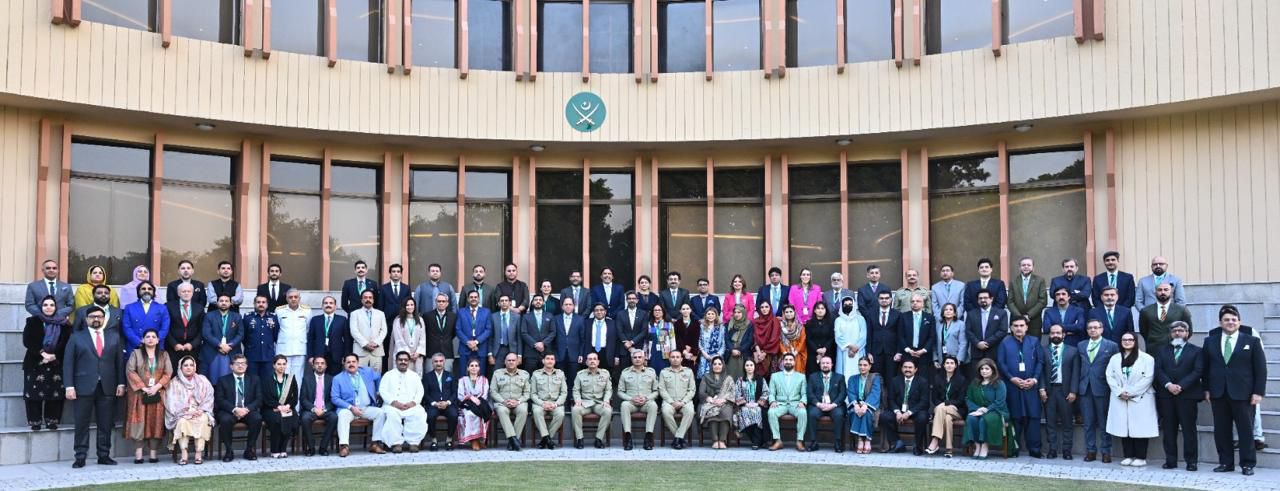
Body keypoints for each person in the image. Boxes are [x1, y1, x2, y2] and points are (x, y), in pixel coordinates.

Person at [1204, 307, 1266, 476]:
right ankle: (1225, 463)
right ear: (1220, 323)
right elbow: (1206, 368)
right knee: (1221, 430)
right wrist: (1207, 389)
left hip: (1244, 394)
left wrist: (1258, 392)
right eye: (1226, 320)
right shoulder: (1210, 341)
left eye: (1234, 319)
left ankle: (1247, 464)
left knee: (1246, 430)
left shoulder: (1251, 341)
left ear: (1239, 322)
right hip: (1218, 393)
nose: (1230, 322)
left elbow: (1260, 369)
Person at [64, 306, 126, 468]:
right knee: (81, 424)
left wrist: (121, 382)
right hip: (82, 387)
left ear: (104, 319)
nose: (96, 319)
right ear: (86, 319)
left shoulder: (114, 337)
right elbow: (68, 363)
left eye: (99, 316)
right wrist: (69, 386)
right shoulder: (76, 337)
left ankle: (104, 455)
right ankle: (80, 456)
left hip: (108, 386)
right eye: (92, 316)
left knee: (105, 424)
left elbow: (119, 362)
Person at [1154, 321, 1203, 470]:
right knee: (1169, 430)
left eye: (1181, 330)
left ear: (1187, 333)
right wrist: (1168, 385)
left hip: (1187, 395)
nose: (1177, 333)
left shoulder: (1197, 351)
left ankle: (1191, 461)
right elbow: (1158, 370)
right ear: (1170, 333)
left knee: (1189, 430)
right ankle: (1171, 460)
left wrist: (1181, 386)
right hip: (1166, 396)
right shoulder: (1161, 350)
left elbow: (1197, 371)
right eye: (1174, 330)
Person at [1106, 331, 1157, 467]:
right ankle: (1128, 455)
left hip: (1141, 398)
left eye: (1130, 340)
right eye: (1124, 340)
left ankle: (1141, 457)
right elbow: (1109, 376)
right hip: (1120, 397)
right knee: (1124, 427)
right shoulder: (1115, 358)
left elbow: (1148, 378)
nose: (1127, 342)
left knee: (1140, 428)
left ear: (1135, 342)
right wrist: (1120, 392)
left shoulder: (1147, 358)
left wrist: (1132, 392)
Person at [996, 317, 1043, 458]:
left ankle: (1034, 449)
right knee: (1015, 417)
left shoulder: (1034, 341)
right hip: (1012, 386)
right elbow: (1001, 363)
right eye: (1015, 326)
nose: (1018, 328)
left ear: (1027, 327)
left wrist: (1034, 379)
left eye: (1021, 325)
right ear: (1011, 328)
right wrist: (1011, 378)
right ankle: (1013, 448)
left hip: (1031, 386)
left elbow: (1040, 362)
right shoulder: (1005, 343)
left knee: (1033, 417)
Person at [124, 329, 172, 464]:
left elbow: (168, 373)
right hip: (139, 394)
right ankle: (138, 454)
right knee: (138, 422)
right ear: (143, 340)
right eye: (148, 336)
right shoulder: (136, 353)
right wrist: (143, 387)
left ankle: (153, 453)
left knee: (155, 422)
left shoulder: (163, 355)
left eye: (153, 337)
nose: (150, 339)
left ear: (158, 340)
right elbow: (130, 371)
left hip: (157, 393)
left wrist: (157, 387)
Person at [23, 296, 71, 430]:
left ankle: (52, 420)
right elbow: (27, 340)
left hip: (56, 361)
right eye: (45, 305)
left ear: (56, 307)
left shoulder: (64, 323)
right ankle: (35, 421)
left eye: (51, 305)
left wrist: (54, 356)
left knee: (55, 391)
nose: (48, 307)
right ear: (41, 307)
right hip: (35, 361)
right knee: (33, 392)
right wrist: (42, 354)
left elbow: (66, 342)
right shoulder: (33, 321)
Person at [1078, 319, 1119, 463]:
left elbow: (1116, 367)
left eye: (1096, 327)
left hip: (1103, 388)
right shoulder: (1081, 345)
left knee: (1104, 422)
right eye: (1090, 328)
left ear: (1102, 329)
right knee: (1088, 422)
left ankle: (1106, 451)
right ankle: (1090, 450)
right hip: (1085, 388)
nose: (1093, 330)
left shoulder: (1112, 346)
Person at [332, 353, 388, 457]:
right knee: (343, 415)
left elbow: (378, 377)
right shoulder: (338, 378)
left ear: (358, 363)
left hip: (365, 408)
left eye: (353, 362)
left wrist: (377, 392)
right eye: (348, 362)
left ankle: (375, 444)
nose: (351, 364)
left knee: (380, 413)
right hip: (349, 409)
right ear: (344, 364)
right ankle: (344, 446)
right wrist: (351, 407)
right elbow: (335, 398)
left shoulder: (367, 372)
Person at [1040, 324, 1080, 460]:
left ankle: (1067, 450)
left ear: (1064, 335)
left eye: (1058, 333)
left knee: (1067, 422)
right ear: (1049, 335)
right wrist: (1041, 388)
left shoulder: (1073, 351)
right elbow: (1040, 371)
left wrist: (1073, 391)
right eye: (1052, 333)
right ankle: (1052, 449)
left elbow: (1076, 372)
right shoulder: (1043, 350)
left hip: (1066, 391)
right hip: (1049, 391)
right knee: (1050, 422)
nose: (1055, 335)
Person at [165, 356, 213, 465]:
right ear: (180, 367)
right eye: (185, 365)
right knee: (182, 422)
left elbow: (209, 397)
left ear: (195, 367)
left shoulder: (203, 380)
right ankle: (184, 453)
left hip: (200, 411)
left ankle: (198, 453)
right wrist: (186, 412)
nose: (189, 367)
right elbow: (171, 402)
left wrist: (201, 410)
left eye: (191, 365)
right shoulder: (174, 382)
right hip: (182, 413)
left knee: (203, 420)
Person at [213, 355, 261, 462]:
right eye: (237, 363)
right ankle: (229, 451)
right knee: (225, 420)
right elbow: (219, 400)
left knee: (257, 418)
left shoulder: (254, 379)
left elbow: (259, 399)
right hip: (230, 411)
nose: (240, 366)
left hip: (247, 410)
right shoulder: (223, 380)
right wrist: (235, 409)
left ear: (247, 366)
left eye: (243, 363)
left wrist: (246, 409)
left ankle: (249, 450)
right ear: (231, 366)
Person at [378, 351, 427, 453]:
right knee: (392, 415)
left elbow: (420, 391)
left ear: (409, 362)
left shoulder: (414, 375)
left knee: (419, 413)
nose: (403, 362)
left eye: (405, 360)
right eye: (400, 360)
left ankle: (414, 443)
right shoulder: (388, 375)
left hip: (411, 405)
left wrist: (413, 403)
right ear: (396, 361)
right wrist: (393, 402)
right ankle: (396, 443)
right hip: (392, 405)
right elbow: (382, 390)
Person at [878, 359, 929, 454]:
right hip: (899, 410)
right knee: (884, 416)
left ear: (915, 369)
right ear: (901, 369)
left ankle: (918, 446)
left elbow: (924, 402)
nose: (907, 369)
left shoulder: (923, 382)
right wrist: (897, 411)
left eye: (910, 367)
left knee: (922, 417)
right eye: (905, 367)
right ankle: (897, 443)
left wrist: (909, 413)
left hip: (916, 411)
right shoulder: (895, 381)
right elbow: (891, 399)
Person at [963, 358, 1009, 460]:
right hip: (978, 411)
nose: (984, 371)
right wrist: (978, 409)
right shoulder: (975, 383)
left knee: (984, 419)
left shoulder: (999, 384)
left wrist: (986, 410)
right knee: (971, 418)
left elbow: (1000, 402)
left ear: (993, 370)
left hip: (997, 411)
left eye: (987, 369)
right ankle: (977, 445)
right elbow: (968, 399)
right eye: (982, 369)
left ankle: (984, 445)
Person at [924, 355, 967, 457]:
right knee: (947, 419)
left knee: (940, 409)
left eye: (952, 363)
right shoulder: (937, 378)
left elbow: (961, 400)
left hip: (957, 409)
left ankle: (935, 440)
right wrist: (943, 405)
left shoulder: (962, 379)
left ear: (956, 365)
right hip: (943, 409)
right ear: (943, 365)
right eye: (947, 363)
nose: (949, 365)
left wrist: (948, 404)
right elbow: (934, 398)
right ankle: (949, 449)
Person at [617, 349, 660, 450]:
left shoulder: (651, 372)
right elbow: (620, 392)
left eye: (640, 357)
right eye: (635, 357)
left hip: (646, 402)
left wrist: (646, 398)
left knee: (653, 405)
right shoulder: (625, 373)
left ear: (644, 358)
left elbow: (656, 391)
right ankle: (628, 437)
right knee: (624, 405)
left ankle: (648, 436)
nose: (637, 359)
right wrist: (631, 398)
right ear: (632, 359)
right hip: (631, 403)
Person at [490, 352, 531, 451]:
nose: (511, 362)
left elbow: (527, 393)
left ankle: (512, 441)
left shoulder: (524, 374)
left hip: (519, 402)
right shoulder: (497, 373)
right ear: (505, 362)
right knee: (502, 411)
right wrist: (503, 401)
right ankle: (514, 440)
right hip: (502, 403)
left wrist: (518, 401)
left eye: (513, 360)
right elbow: (493, 391)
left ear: (517, 362)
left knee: (523, 410)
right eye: (509, 360)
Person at [804, 356, 846, 452]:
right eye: (823, 363)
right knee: (812, 414)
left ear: (832, 365)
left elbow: (843, 393)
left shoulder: (839, 377)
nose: (825, 365)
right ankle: (814, 442)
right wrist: (818, 404)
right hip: (818, 405)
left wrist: (833, 405)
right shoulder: (813, 377)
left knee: (839, 414)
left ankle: (838, 442)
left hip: (834, 405)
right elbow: (809, 393)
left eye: (827, 363)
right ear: (820, 365)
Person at [572, 352, 614, 449]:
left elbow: (608, 390)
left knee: (608, 411)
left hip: (599, 403)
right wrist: (577, 400)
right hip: (585, 403)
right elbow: (576, 390)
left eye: (594, 359)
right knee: (575, 410)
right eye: (590, 359)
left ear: (598, 362)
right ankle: (580, 439)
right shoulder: (580, 374)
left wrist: (606, 400)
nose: (592, 361)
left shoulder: (605, 374)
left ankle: (598, 439)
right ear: (586, 362)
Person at [767, 353, 807, 451]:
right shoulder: (775, 376)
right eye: (786, 360)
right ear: (782, 362)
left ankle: (799, 441)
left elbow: (804, 393)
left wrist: (802, 402)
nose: (788, 361)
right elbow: (771, 393)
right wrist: (772, 401)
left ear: (794, 362)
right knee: (771, 412)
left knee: (803, 412)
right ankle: (777, 440)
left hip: (795, 404)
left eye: (790, 360)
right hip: (780, 404)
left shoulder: (801, 377)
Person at [1138, 283, 1192, 355]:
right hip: (1153, 350)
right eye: (1159, 290)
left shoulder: (1181, 310)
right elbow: (1144, 331)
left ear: (1171, 292)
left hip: (1175, 350)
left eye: (1166, 290)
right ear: (1155, 292)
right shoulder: (1146, 311)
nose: (1163, 292)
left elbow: (1189, 330)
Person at [261, 355, 299, 458]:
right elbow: (265, 397)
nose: (282, 366)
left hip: (287, 408)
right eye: (279, 364)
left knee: (291, 418)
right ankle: (275, 450)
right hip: (270, 409)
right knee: (277, 419)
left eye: (284, 364)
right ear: (274, 365)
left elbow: (295, 397)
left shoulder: (291, 378)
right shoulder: (267, 379)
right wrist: (278, 406)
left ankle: (283, 449)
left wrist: (288, 405)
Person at [964, 289, 1007, 378]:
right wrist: (977, 343)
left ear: (991, 299)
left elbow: (1003, 330)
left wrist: (987, 342)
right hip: (977, 352)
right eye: (980, 298)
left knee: (994, 378)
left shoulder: (1001, 313)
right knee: (976, 379)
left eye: (985, 298)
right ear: (977, 300)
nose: (983, 300)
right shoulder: (971, 314)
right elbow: (968, 331)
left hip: (994, 352)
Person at [299, 357, 337, 456]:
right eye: (317, 363)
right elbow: (303, 399)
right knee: (305, 418)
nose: (320, 365)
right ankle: (311, 447)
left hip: (326, 409)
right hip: (311, 409)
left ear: (326, 366)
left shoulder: (331, 379)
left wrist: (325, 409)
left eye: (322, 363)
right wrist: (314, 409)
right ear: (313, 366)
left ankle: (323, 447)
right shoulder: (306, 379)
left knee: (334, 417)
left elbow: (334, 398)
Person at [200, 294, 243, 382]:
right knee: (210, 381)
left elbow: (240, 334)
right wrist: (220, 345)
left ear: (231, 303)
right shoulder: (209, 316)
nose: (224, 303)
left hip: (231, 351)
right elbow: (206, 334)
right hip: (212, 351)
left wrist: (229, 346)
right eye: (221, 301)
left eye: (226, 301)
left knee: (230, 382)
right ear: (217, 303)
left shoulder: (237, 316)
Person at [659, 350, 696, 449]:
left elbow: (692, 390)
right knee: (665, 411)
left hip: (685, 401)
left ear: (681, 359)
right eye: (673, 357)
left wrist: (683, 402)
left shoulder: (688, 372)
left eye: (677, 357)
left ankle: (677, 438)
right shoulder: (664, 372)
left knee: (690, 411)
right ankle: (680, 438)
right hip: (669, 401)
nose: (675, 359)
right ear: (669, 359)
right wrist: (671, 402)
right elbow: (662, 389)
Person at [529, 353, 567, 449]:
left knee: (560, 414)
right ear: (543, 361)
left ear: (555, 361)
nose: (550, 361)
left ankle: (545, 439)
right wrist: (542, 403)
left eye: (552, 359)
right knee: (537, 412)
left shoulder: (560, 374)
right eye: (548, 359)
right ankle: (547, 439)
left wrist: (556, 404)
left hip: (555, 403)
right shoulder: (536, 374)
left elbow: (564, 393)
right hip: (540, 403)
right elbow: (533, 394)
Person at [121, 281, 169, 355]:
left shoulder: (162, 308)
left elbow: (165, 328)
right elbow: (126, 327)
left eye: (149, 289)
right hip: (135, 347)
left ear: (153, 292)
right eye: (143, 289)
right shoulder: (129, 307)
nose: (146, 291)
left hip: (156, 347)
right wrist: (138, 342)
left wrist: (154, 340)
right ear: (138, 292)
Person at [422, 353, 458, 451]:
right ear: (432, 363)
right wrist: (434, 403)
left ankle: (449, 439)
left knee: (454, 415)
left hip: (448, 404)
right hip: (434, 405)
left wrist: (448, 402)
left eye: (441, 361)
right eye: (436, 361)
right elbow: (425, 394)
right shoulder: (427, 377)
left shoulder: (450, 375)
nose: (438, 363)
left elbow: (455, 392)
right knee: (430, 416)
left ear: (444, 362)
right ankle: (434, 440)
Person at [307, 296, 351, 376]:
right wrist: (310, 356)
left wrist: (346, 356)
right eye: (326, 303)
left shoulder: (342, 319)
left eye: (331, 303)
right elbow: (310, 339)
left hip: (337, 356)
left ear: (335, 306)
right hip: (319, 356)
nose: (328, 305)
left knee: (335, 379)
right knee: (319, 379)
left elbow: (347, 340)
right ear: (322, 306)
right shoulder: (315, 320)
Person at [698, 356, 736, 449]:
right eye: (714, 364)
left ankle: (722, 440)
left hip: (725, 402)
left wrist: (724, 400)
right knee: (712, 411)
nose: (717, 366)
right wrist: (710, 399)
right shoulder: (706, 377)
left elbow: (732, 392)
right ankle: (715, 440)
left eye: (719, 364)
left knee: (726, 411)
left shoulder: (728, 378)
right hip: (709, 402)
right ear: (711, 366)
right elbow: (701, 392)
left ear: (723, 365)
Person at [166, 283, 205, 373]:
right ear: (178, 293)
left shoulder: (199, 308)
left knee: (191, 373)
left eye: (189, 291)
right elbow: (166, 327)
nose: (186, 293)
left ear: (192, 293)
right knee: (173, 373)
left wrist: (193, 344)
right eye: (183, 291)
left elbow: (201, 329)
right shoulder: (168, 306)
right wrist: (174, 344)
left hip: (192, 348)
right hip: (173, 348)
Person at [846, 357, 881, 454]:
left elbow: (875, 393)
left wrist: (866, 405)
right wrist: (856, 405)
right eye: (860, 365)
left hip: (871, 405)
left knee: (867, 414)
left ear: (870, 366)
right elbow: (851, 393)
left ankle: (867, 440)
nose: (862, 367)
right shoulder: (852, 378)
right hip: (856, 405)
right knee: (854, 412)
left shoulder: (875, 378)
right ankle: (861, 440)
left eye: (865, 365)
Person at [897, 293, 936, 380]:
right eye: (912, 301)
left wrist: (924, 350)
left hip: (924, 354)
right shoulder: (903, 316)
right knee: (907, 378)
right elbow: (900, 335)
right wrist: (908, 350)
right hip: (908, 353)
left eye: (918, 301)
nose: (915, 303)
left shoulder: (929, 317)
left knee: (923, 379)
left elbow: (932, 337)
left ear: (923, 304)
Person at [274, 289, 310, 380]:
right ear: (286, 299)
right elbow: (276, 329)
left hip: (299, 348)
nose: (293, 299)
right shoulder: (279, 311)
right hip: (283, 348)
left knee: (298, 376)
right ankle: (283, 390)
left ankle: (296, 390)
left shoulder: (307, 311)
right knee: (282, 374)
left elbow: (308, 328)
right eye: (290, 297)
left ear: (299, 298)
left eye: (295, 297)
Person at [243, 295, 281, 380]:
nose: (261, 304)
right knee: (252, 380)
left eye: (263, 302)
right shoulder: (248, 317)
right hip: (252, 355)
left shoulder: (273, 317)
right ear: (254, 304)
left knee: (267, 381)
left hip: (268, 355)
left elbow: (275, 335)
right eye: (258, 302)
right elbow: (244, 337)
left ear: (267, 304)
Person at [735, 358, 771, 450]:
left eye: (751, 365)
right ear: (744, 367)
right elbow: (737, 393)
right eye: (747, 365)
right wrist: (745, 404)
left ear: (754, 367)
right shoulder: (740, 380)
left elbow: (766, 392)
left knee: (758, 411)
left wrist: (757, 403)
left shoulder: (761, 379)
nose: (749, 367)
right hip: (744, 406)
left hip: (757, 405)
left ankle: (756, 442)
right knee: (744, 412)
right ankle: (757, 441)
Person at [1008, 258, 1048, 338]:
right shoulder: (1013, 281)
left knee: (1034, 344)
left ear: (1033, 267)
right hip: (1017, 321)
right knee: (1016, 343)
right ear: (1019, 267)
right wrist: (1020, 317)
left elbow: (1042, 301)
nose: (1026, 267)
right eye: (1023, 265)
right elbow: (1010, 302)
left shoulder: (1040, 280)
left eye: (1028, 265)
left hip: (1034, 320)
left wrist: (1029, 315)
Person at [456, 358, 490, 450]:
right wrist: (471, 397)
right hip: (466, 405)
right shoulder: (462, 380)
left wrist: (476, 400)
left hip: (479, 404)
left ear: (479, 368)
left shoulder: (484, 380)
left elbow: (484, 394)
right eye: (471, 366)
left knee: (481, 415)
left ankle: (479, 439)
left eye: (476, 366)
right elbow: (460, 395)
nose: (474, 368)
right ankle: (474, 440)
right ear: (468, 368)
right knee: (469, 414)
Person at [350, 290, 388, 370]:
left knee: (376, 375)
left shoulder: (380, 313)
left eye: (370, 298)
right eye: (365, 297)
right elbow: (354, 331)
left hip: (377, 351)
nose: (368, 299)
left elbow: (384, 330)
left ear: (373, 300)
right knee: (360, 375)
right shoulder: (354, 314)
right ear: (362, 300)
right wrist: (365, 344)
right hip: (360, 351)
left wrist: (376, 343)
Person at [457, 290, 492, 377]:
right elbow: (458, 329)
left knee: (480, 375)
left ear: (479, 299)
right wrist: (468, 342)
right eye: (471, 297)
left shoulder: (486, 312)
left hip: (481, 348)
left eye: (475, 297)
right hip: (465, 348)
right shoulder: (461, 312)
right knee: (464, 375)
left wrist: (476, 342)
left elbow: (488, 329)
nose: (473, 299)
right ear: (468, 299)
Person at [865, 291, 900, 376]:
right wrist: (868, 352)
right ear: (878, 300)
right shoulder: (871, 313)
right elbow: (869, 334)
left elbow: (900, 334)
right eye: (881, 298)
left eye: (886, 298)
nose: (884, 300)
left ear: (891, 299)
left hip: (892, 352)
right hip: (876, 351)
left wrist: (899, 352)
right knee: (876, 377)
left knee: (891, 377)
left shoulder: (897, 314)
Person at [521, 294, 556, 372]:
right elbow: (524, 333)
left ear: (543, 302)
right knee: (530, 375)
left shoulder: (550, 316)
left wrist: (543, 343)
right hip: (530, 352)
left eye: (540, 300)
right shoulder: (526, 316)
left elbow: (553, 332)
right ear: (532, 302)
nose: (538, 301)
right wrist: (535, 344)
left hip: (546, 352)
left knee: (546, 375)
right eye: (536, 300)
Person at [553, 296, 585, 381]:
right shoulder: (556, 318)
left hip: (574, 355)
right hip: (559, 355)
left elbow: (582, 339)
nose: (568, 306)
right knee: (559, 380)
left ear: (574, 306)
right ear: (562, 306)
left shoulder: (580, 319)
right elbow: (553, 338)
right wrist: (554, 354)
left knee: (573, 380)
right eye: (566, 304)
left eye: (570, 304)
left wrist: (581, 354)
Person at [488, 295, 523, 374]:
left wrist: (519, 355)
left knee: (513, 373)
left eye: (506, 300)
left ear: (510, 303)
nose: (504, 302)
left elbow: (519, 337)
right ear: (499, 303)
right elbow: (490, 337)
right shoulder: (493, 317)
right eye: (502, 301)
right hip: (498, 350)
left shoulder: (517, 317)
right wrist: (490, 354)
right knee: (497, 373)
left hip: (512, 349)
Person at [392, 297, 428, 373]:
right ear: (404, 307)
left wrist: (418, 353)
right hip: (403, 355)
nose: (410, 307)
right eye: (407, 305)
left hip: (416, 355)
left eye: (412, 305)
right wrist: (407, 353)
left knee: (416, 376)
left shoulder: (420, 320)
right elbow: (398, 339)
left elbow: (423, 338)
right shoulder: (398, 320)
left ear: (415, 306)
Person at [833, 296, 866, 377]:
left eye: (850, 304)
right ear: (842, 306)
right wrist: (849, 346)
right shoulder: (838, 320)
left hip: (858, 351)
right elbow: (838, 336)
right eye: (845, 305)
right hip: (844, 351)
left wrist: (855, 349)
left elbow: (863, 336)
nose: (848, 306)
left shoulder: (860, 319)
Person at [615, 291, 649, 368]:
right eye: (629, 298)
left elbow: (644, 331)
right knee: (624, 371)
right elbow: (619, 331)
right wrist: (627, 344)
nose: (631, 300)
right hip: (624, 349)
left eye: (633, 298)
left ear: (637, 300)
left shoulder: (643, 314)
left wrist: (632, 342)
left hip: (638, 348)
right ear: (626, 300)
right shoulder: (620, 314)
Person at [425, 293, 458, 372]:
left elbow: (454, 333)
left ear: (447, 303)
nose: (441, 303)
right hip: (431, 352)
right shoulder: (427, 316)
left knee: (447, 376)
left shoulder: (453, 316)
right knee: (430, 376)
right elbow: (425, 333)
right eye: (439, 301)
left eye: (443, 301)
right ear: (435, 302)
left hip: (447, 352)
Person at [934, 303, 968, 372]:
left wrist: (959, 359)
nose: (948, 311)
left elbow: (963, 343)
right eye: (946, 310)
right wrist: (935, 359)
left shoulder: (960, 324)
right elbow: (934, 343)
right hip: (942, 358)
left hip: (955, 358)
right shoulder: (938, 325)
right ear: (943, 313)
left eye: (951, 309)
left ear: (954, 313)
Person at [724, 304, 754, 380]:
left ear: (743, 313)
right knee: (730, 375)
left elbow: (749, 340)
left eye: (739, 312)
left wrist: (739, 350)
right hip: (731, 353)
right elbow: (726, 339)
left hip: (743, 353)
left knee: (742, 375)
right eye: (735, 312)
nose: (736, 314)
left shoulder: (749, 324)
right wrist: (732, 349)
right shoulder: (729, 324)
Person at [751, 302, 782, 377]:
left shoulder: (775, 321)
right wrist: (759, 352)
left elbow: (774, 338)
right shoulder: (755, 322)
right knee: (758, 377)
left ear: (770, 308)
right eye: (762, 307)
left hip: (771, 353)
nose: (764, 309)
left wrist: (764, 353)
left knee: (772, 377)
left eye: (766, 307)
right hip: (758, 353)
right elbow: (754, 337)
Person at [804, 302, 835, 374]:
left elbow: (831, 338)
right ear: (814, 310)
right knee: (813, 373)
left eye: (822, 308)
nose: (820, 310)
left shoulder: (830, 323)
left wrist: (824, 349)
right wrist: (817, 350)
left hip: (827, 352)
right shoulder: (809, 323)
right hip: (813, 353)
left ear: (826, 310)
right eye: (818, 308)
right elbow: (808, 339)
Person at [698, 306, 727, 378]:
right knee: (704, 378)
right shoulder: (702, 327)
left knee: (717, 377)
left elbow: (723, 343)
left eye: (712, 314)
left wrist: (717, 355)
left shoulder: (721, 327)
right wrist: (704, 354)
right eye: (708, 314)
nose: (710, 316)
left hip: (717, 358)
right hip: (705, 356)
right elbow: (699, 341)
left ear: (716, 315)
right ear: (705, 315)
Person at [646, 304, 675, 373]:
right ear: (652, 312)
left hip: (665, 354)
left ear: (663, 312)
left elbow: (672, 340)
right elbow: (646, 341)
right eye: (655, 310)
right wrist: (645, 356)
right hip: (652, 353)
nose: (657, 312)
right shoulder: (649, 325)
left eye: (659, 310)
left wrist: (673, 355)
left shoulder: (668, 325)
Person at [779, 305, 808, 374]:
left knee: (797, 372)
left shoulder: (800, 326)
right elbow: (779, 340)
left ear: (794, 312)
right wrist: (784, 352)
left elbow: (802, 340)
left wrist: (795, 352)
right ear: (784, 313)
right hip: (784, 352)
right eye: (786, 312)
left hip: (797, 352)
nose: (789, 314)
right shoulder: (780, 325)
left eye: (791, 311)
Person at [674, 303, 701, 371]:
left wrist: (691, 349)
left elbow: (696, 338)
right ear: (680, 311)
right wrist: (684, 351)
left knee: (691, 372)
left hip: (692, 353)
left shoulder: (696, 323)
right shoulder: (677, 323)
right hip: (681, 352)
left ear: (690, 310)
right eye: (683, 309)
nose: (685, 310)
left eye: (687, 309)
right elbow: (677, 338)